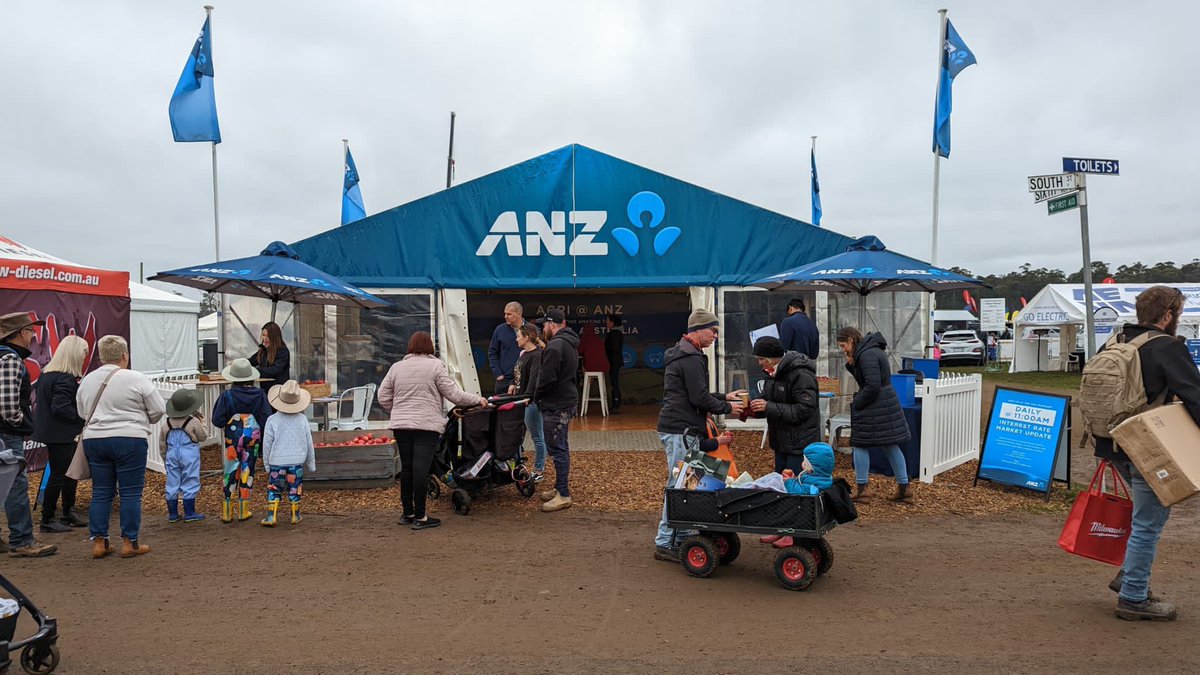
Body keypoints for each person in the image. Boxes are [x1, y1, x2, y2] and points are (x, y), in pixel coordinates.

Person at [1094, 286, 1200, 621]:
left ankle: (1129, 575)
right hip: (1147, 445)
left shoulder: (1115, 342)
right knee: (1148, 523)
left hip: (1111, 443)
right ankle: (1133, 597)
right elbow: (1194, 396)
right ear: (1168, 315)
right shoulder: (1167, 346)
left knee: (1149, 515)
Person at [653, 308, 746, 562]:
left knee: (685, 483)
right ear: (698, 330)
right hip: (681, 429)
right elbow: (698, 397)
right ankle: (666, 541)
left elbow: (695, 393)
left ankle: (679, 536)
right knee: (680, 485)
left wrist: (723, 397)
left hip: (679, 428)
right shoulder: (691, 357)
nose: (715, 335)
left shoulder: (684, 353)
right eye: (713, 331)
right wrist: (727, 407)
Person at [378, 331, 487, 530]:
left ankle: (407, 513)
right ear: (429, 346)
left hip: (401, 426)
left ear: (410, 346)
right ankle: (421, 516)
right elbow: (453, 394)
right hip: (426, 425)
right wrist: (478, 399)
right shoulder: (435, 366)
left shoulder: (396, 367)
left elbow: (382, 396)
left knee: (407, 468)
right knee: (421, 469)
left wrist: (398, 410)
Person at [77, 335, 166, 559]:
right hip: (130, 438)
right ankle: (130, 542)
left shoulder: (87, 381)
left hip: (95, 439)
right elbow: (158, 409)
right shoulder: (136, 378)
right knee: (130, 492)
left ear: (101, 357)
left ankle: (99, 542)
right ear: (125, 355)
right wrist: (143, 420)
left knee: (101, 491)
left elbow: (82, 411)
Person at [0, 311, 58, 557]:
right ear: (20, 333)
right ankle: (22, 540)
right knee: (15, 484)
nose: (33, 336)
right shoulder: (11, 359)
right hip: (6, 433)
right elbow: (7, 405)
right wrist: (20, 421)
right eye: (31, 331)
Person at [836, 327, 912, 503]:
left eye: (843, 345)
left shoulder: (867, 355)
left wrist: (857, 403)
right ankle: (904, 488)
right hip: (884, 402)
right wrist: (851, 363)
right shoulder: (869, 350)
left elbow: (871, 385)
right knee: (889, 444)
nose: (843, 350)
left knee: (859, 444)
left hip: (875, 404)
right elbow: (867, 379)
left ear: (850, 340)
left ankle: (863, 489)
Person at [32, 334, 90, 534]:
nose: (85, 357)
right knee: (60, 474)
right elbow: (60, 407)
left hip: (52, 432)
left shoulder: (46, 374)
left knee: (66, 473)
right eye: (83, 353)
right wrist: (81, 419)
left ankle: (67, 511)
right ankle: (48, 518)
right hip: (61, 434)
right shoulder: (65, 378)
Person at [746, 336, 820, 474]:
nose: (759, 363)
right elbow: (767, 400)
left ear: (772, 358)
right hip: (781, 443)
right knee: (781, 481)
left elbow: (804, 409)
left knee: (794, 483)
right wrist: (747, 409)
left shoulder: (801, 374)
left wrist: (768, 406)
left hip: (799, 444)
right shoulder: (772, 374)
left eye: (761, 359)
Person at [212, 358, 272, 523]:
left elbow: (217, 420)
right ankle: (243, 510)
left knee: (230, 470)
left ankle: (227, 511)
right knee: (248, 470)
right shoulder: (260, 395)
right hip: (252, 439)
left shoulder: (227, 396)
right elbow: (266, 418)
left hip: (232, 439)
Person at [534, 309, 579, 513]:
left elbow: (547, 378)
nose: (543, 328)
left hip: (556, 404)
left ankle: (563, 494)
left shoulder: (554, 346)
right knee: (561, 445)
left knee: (558, 448)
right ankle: (559, 487)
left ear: (552, 324)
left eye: (544, 324)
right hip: (567, 400)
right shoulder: (570, 343)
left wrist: (536, 396)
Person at [262, 380, 316, 527]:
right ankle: (295, 515)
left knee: (274, 488)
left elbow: (267, 444)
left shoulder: (272, 420)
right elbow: (309, 442)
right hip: (297, 461)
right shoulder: (302, 419)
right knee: (295, 488)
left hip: (276, 461)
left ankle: (271, 516)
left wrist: (266, 464)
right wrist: (311, 463)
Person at [160, 388, 209, 523]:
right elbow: (203, 437)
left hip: (171, 453)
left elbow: (162, 444)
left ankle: (173, 514)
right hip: (189, 453)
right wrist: (203, 423)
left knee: (172, 481)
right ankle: (189, 512)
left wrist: (165, 458)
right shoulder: (192, 422)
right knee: (190, 478)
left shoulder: (166, 424)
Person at [509, 323, 548, 481]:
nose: (516, 339)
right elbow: (518, 373)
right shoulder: (523, 354)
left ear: (526, 338)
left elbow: (534, 380)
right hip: (520, 400)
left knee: (537, 436)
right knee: (517, 435)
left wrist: (528, 397)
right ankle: (517, 465)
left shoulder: (537, 356)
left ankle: (538, 471)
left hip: (530, 402)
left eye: (518, 336)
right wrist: (513, 384)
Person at [487, 302, 527, 394]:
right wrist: (498, 374)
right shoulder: (500, 330)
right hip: (504, 381)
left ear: (519, 314)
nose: (505, 317)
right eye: (505, 314)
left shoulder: (531, 329)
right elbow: (492, 352)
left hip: (525, 380)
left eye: (509, 314)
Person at [249, 321, 290, 393]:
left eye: (268, 336)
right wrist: (240, 364)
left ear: (275, 338)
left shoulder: (283, 351)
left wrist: (256, 371)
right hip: (266, 391)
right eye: (263, 335)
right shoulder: (263, 350)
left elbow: (274, 370)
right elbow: (251, 361)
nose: (265, 338)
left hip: (279, 393)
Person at [605, 314, 624, 413]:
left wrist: (606, 348)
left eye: (608, 321)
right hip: (614, 361)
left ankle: (616, 404)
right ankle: (615, 403)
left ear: (612, 323)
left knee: (614, 383)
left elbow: (615, 348)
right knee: (614, 382)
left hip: (614, 361)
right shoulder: (617, 333)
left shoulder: (614, 333)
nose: (606, 323)